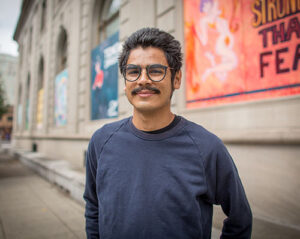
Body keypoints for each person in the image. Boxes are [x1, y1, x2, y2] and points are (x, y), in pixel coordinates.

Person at [84, 27, 252, 239]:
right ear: (125, 82)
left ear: (176, 79)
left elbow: (240, 220)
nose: (143, 79)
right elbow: (93, 207)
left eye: (155, 70)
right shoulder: (101, 142)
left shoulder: (207, 148)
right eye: (133, 71)